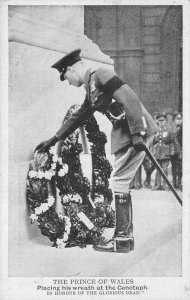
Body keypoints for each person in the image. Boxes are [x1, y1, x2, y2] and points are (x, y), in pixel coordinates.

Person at [35, 49, 158, 252]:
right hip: (127, 133)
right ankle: (124, 239)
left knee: (119, 181)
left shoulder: (101, 75)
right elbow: (79, 117)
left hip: (133, 132)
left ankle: (121, 239)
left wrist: (139, 132)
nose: (68, 82)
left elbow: (130, 98)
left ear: (72, 69)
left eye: (66, 77)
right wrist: (53, 139)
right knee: (122, 182)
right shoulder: (91, 88)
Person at [152, 113, 173, 191]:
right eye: (159, 120)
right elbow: (153, 141)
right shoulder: (156, 130)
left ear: (165, 121)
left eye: (162, 120)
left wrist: (171, 152)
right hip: (157, 152)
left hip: (165, 152)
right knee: (158, 170)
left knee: (164, 169)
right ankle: (158, 185)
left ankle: (165, 185)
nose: (161, 122)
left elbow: (171, 142)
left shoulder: (168, 130)